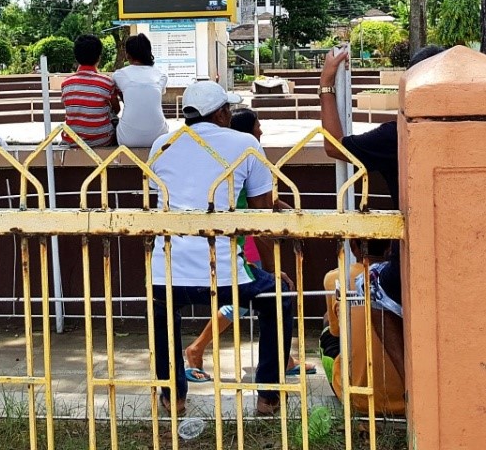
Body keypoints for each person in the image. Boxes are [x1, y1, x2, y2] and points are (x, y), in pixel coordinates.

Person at [148, 83, 293, 416]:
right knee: (279, 296)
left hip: (165, 268)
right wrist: (271, 270)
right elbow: (261, 217)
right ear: (222, 113)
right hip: (224, 272)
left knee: (160, 311)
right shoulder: (245, 144)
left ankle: (173, 398)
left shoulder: (162, 144)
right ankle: (268, 397)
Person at [318, 44, 445, 369]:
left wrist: (326, 83)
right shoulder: (476, 125)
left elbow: (335, 147)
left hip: (415, 254)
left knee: (369, 288)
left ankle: (411, 383)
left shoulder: (399, 134)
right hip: (474, 250)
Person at [181, 109, 313, 381]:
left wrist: (293, 212)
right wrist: (271, 265)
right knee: (255, 299)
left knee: (242, 303)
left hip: (241, 237)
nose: (261, 131)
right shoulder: (248, 155)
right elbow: (262, 207)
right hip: (245, 240)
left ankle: (283, 358)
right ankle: (197, 349)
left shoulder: (237, 157)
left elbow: (270, 201)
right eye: (258, 126)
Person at [319, 239, 406, 416]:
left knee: (327, 330)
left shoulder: (335, 278)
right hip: (405, 399)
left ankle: (344, 386)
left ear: (353, 247)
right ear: (390, 247)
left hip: (360, 400)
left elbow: (336, 332)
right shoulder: (402, 277)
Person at [60, 34, 119, 147]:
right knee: (115, 120)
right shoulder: (107, 82)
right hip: (101, 141)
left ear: (76, 57)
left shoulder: (66, 84)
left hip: (73, 140)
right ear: (99, 57)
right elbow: (117, 109)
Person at [111, 34, 169, 147]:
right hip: (159, 138)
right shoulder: (161, 75)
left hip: (127, 138)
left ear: (128, 55)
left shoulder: (119, 75)